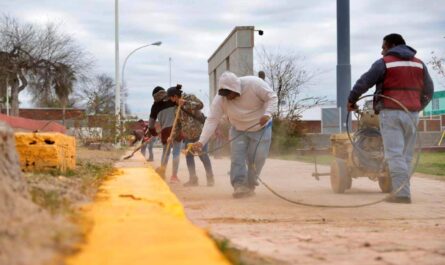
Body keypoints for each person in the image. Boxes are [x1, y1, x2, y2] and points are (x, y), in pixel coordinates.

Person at [347, 33, 434, 204]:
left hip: (391, 113)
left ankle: (401, 194)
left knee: (394, 155)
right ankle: (403, 191)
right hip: (412, 115)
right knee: (406, 155)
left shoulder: (385, 63)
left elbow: (364, 82)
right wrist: (416, 107)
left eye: (383, 47)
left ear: (392, 45)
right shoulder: (419, 64)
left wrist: (351, 100)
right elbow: (429, 91)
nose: (381, 52)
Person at [191, 71, 278, 198]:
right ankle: (239, 185)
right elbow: (212, 120)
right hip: (238, 129)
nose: (227, 97)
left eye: (229, 94)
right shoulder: (220, 99)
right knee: (237, 158)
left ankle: (250, 185)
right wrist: (201, 141)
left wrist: (268, 113)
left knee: (258, 158)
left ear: (236, 88)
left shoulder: (254, 84)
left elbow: (272, 97)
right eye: (224, 94)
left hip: (261, 127)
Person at [167, 85, 215, 187]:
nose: (170, 100)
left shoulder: (190, 97)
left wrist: (186, 103)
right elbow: (178, 125)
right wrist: (172, 136)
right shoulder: (175, 109)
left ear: (175, 96)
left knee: (203, 155)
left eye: (170, 98)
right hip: (188, 136)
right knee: (189, 156)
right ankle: (193, 179)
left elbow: (201, 105)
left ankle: (210, 178)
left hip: (200, 134)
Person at [148, 86, 182, 183]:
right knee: (176, 152)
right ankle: (174, 176)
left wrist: (154, 132)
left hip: (165, 131)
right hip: (177, 128)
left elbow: (151, 124)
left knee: (165, 153)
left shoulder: (154, 106)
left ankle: (162, 173)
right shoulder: (172, 99)